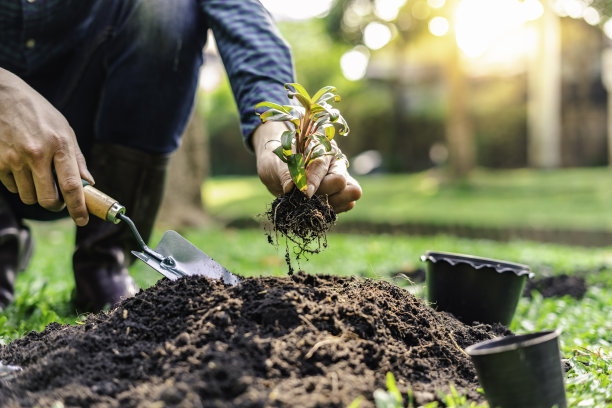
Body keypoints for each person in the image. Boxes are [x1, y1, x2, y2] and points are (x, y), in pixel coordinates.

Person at [0, 0, 362, 312]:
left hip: (92, 123)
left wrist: (274, 130)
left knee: (169, 9)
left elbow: (238, 11)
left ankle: (105, 260)